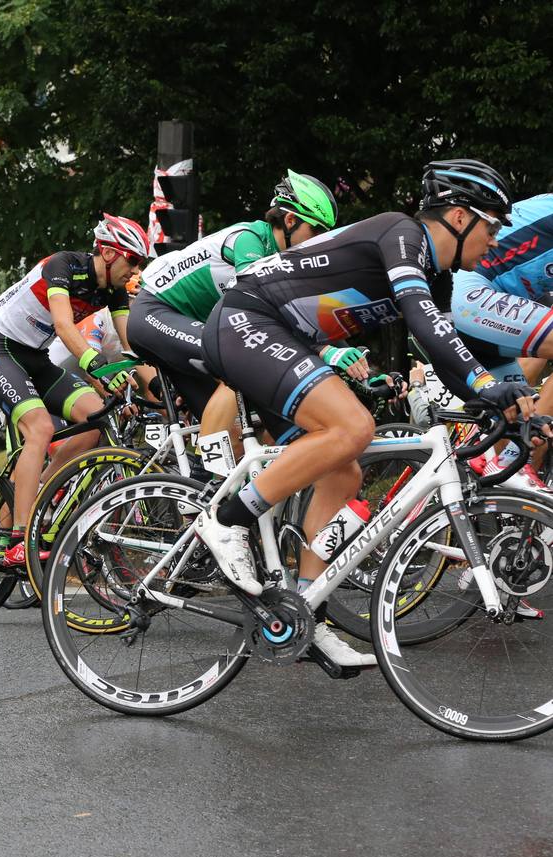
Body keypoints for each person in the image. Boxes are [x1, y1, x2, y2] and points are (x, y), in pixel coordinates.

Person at [197, 158, 530, 667]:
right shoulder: (404, 235)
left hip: (284, 338)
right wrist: (488, 385)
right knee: (353, 427)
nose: (495, 240)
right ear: (460, 218)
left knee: (344, 469)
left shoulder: (434, 277)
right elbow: (424, 321)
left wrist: (503, 404)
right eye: (492, 225)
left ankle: (305, 611)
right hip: (247, 318)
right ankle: (226, 520)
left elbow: (444, 346)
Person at [0, 214, 152, 566]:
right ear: (108, 252)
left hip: (36, 359)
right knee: (39, 429)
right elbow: (62, 324)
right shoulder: (64, 266)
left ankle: (39, 490)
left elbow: (132, 349)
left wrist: (154, 384)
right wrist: (95, 364)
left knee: (99, 418)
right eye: (132, 260)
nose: (136, 270)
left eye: (141, 263)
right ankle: (19, 539)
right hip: (0, 350)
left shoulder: (114, 292)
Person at [127, 172, 344, 441]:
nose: (320, 241)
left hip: (187, 326)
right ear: (290, 220)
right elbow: (258, 309)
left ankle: (211, 481)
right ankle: (210, 468)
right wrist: (321, 349)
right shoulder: (250, 240)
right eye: (317, 231)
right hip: (154, 314)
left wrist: (344, 353)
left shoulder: (281, 259)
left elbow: (302, 317)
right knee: (240, 362)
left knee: (239, 436)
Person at [451, 189, 553, 468]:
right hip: (471, 295)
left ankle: (497, 479)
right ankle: (512, 465)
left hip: (487, 310)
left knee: (516, 413)